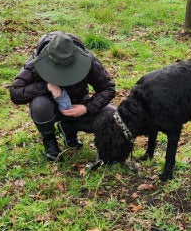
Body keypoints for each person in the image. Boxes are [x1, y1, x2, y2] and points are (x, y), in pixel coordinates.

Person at [9, 31, 116, 162]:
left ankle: (70, 128)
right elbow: (15, 92)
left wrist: (86, 107)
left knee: (112, 116)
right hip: (51, 108)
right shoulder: (37, 61)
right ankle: (50, 141)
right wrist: (47, 87)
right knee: (40, 105)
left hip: (78, 104)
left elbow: (108, 88)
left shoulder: (88, 60)